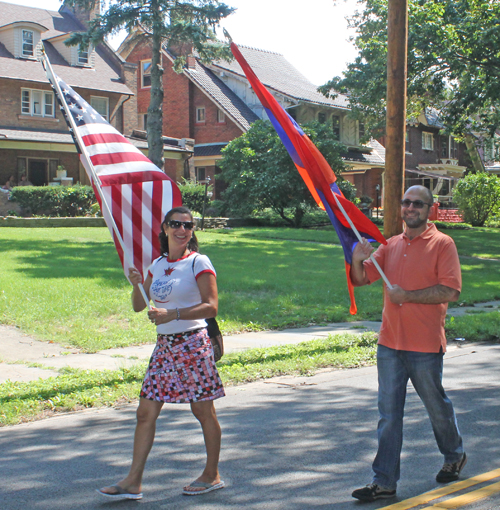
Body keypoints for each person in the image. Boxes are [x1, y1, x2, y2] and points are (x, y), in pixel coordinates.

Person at [98, 206, 225, 501]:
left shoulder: (198, 261)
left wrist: (173, 314)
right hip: (165, 347)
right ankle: (133, 481)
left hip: (193, 343)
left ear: (192, 230)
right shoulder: (156, 264)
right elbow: (139, 306)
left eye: (188, 225)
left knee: (202, 411)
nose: (182, 230)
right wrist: (137, 284)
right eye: (176, 224)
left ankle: (212, 474)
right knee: (145, 413)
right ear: (165, 228)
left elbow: (212, 306)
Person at [350, 185, 466, 503]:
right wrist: (358, 260)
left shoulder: (443, 244)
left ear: (430, 209)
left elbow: (450, 291)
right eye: (406, 203)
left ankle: (454, 455)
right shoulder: (390, 245)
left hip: (425, 345)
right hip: (390, 344)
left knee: (436, 407)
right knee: (389, 415)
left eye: (417, 203)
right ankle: (384, 481)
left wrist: (408, 297)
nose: (410, 208)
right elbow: (362, 279)